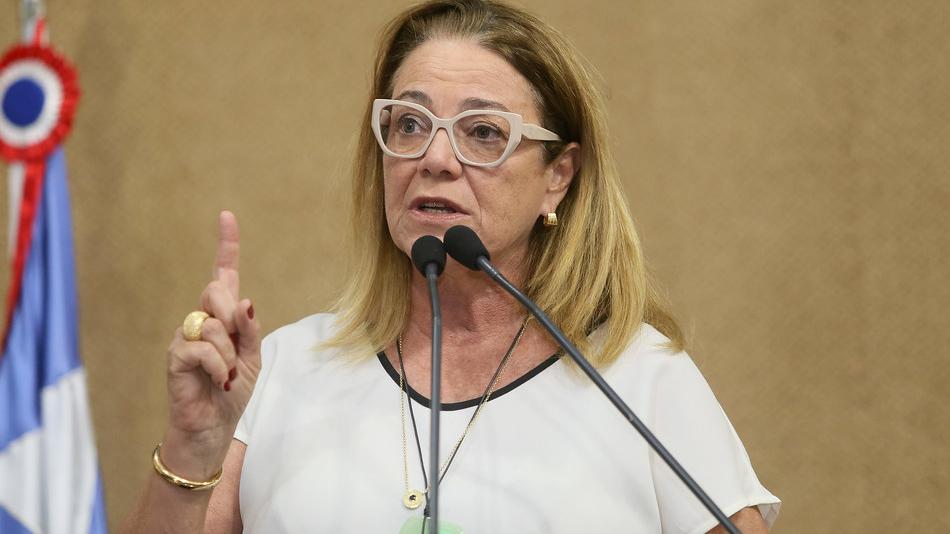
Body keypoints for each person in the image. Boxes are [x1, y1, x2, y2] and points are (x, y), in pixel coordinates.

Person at [123, 1, 781, 532]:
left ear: (558, 176)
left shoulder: (639, 380)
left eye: (483, 132)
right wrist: (195, 446)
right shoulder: (287, 370)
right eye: (409, 124)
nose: (435, 159)